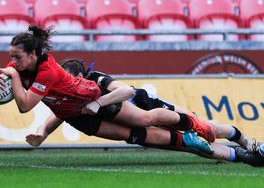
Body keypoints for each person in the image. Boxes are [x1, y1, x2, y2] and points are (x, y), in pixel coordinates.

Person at [0, 25, 216, 155]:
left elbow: (24, 106)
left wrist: (12, 75)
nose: (12, 61)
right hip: (76, 114)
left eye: (17, 57)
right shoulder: (19, 65)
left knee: (145, 118)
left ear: (33, 55)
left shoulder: (46, 71)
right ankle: (188, 141)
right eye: (10, 57)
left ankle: (195, 125)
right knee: (131, 135)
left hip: (93, 97)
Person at [26, 58, 253, 162]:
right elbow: (57, 114)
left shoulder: (95, 80)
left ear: (79, 77)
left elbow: (126, 92)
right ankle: (242, 157)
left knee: (206, 127)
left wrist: (98, 103)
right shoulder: (68, 95)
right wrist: (42, 133)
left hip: (144, 105)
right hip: (128, 125)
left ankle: (243, 140)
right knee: (189, 145)